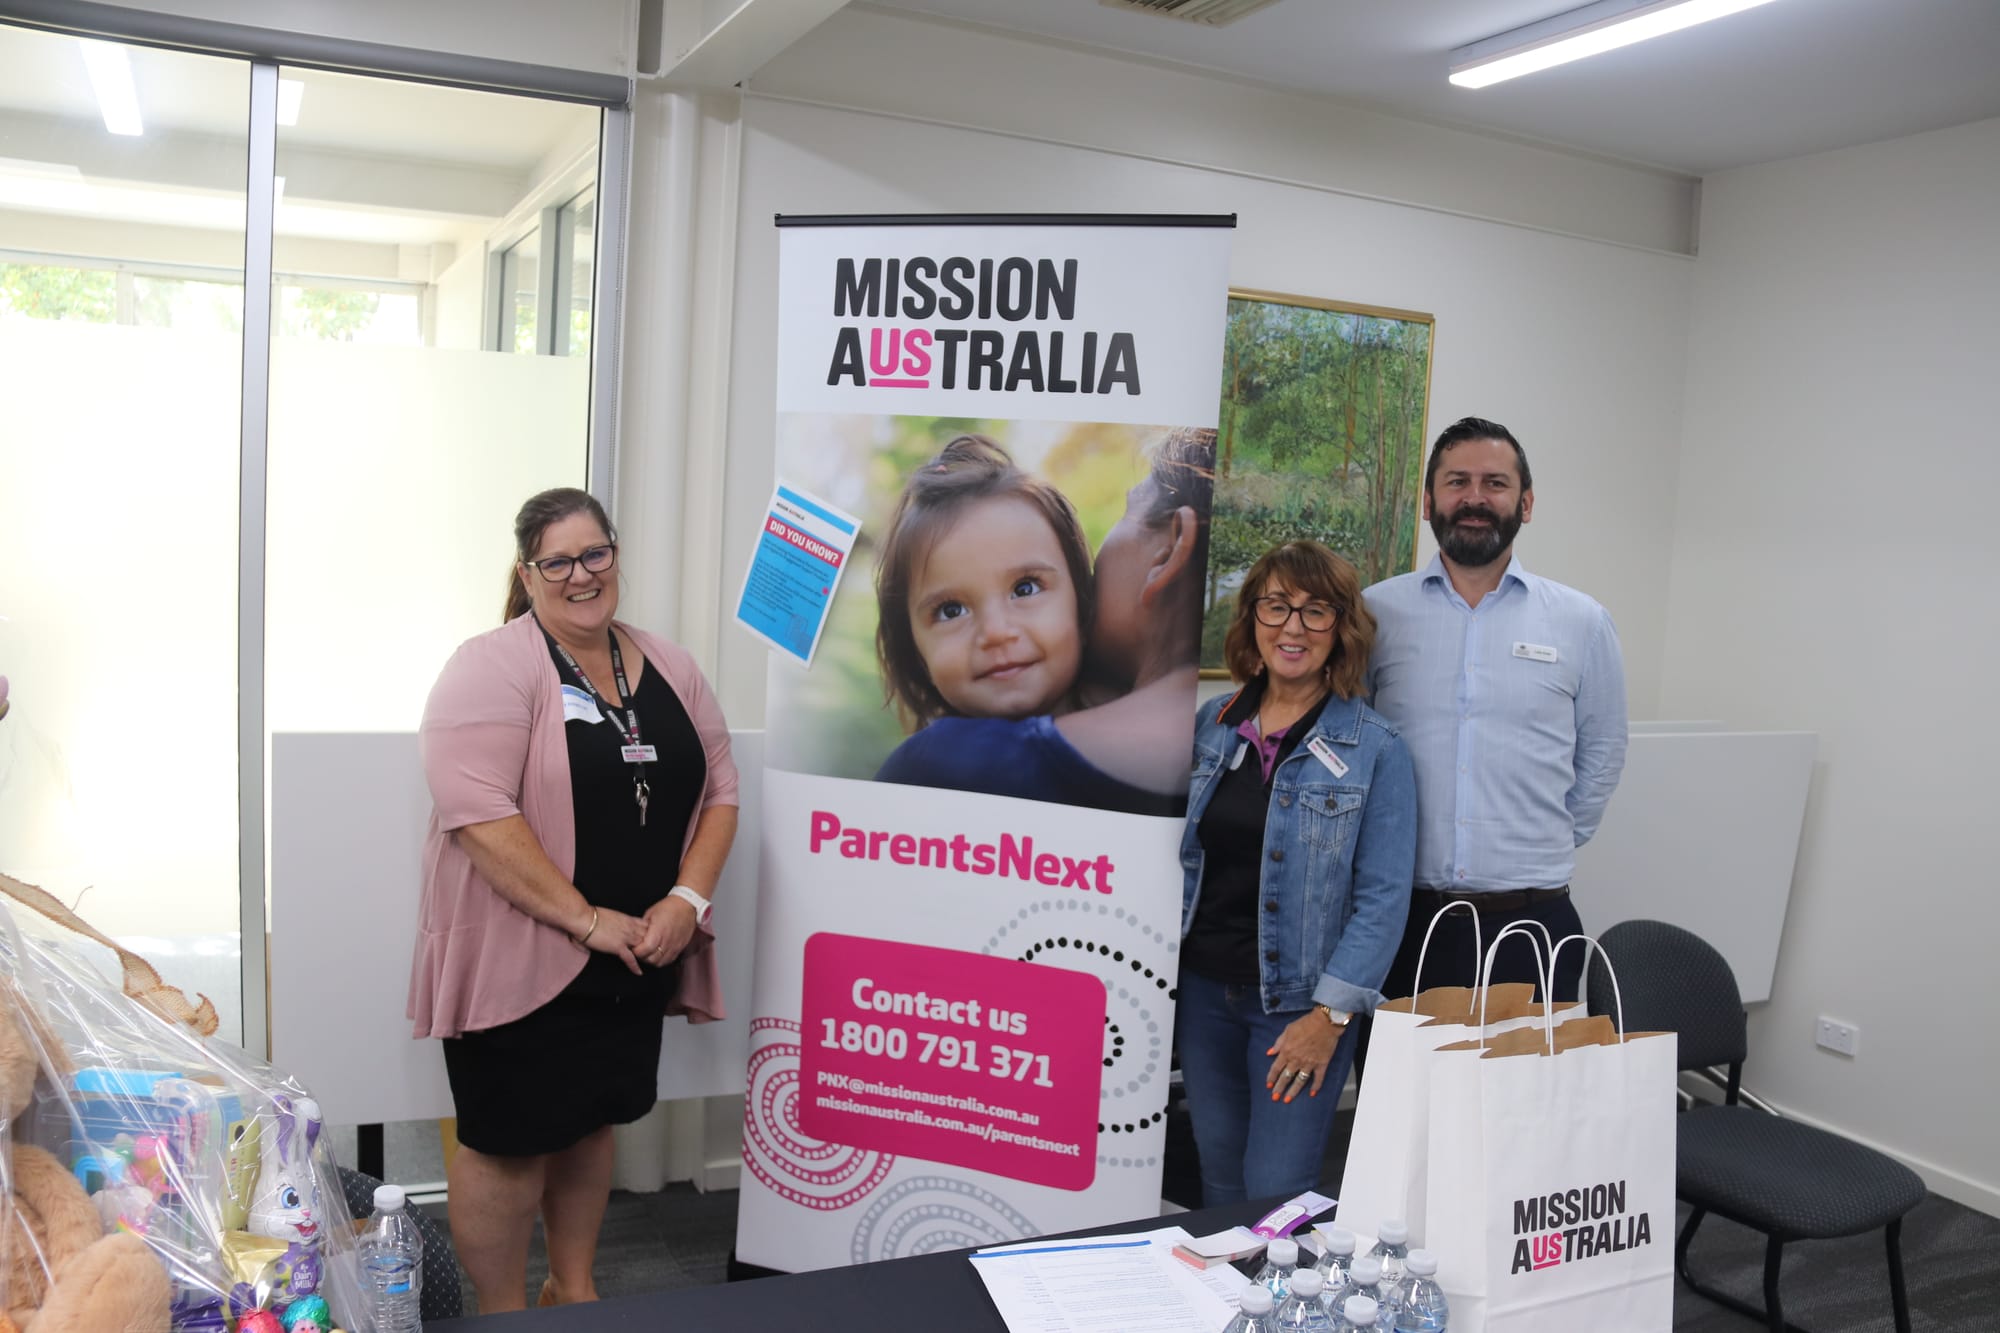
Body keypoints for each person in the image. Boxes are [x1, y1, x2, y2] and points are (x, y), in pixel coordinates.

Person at [407, 487, 738, 1313]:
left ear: (615, 554)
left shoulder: (669, 664)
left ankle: (574, 1288)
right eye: (557, 561)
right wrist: (585, 919)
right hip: (524, 957)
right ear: (528, 573)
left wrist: (686, 901)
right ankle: (502, 1312)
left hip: (636, 953)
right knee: (509, 1145)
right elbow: (478, 815)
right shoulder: (489, 666)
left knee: (592, 1124)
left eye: (595, 553)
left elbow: (722, 791)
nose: (581, 574)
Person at [1176, 541, 1416, 1204]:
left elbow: (1382, 900)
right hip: (1203, 995)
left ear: (1342, 629)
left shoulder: (1376, 749)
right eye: (1277, 606)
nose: (1293, 627)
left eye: (1316, 611)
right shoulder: (1209, 727)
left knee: (1276, 1193)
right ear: (1253, 617)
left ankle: (1278, 1281)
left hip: (1297, 1008)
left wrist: (1329, 1017)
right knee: (1219, 1182)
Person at [1363, 417, 1627, 1004]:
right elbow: (1347, 747)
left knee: (1526, 1072)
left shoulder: (1582, 622)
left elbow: (1603, 752)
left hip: (1532, 926)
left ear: (1525, 503)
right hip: (1400, 924)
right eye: (1457, 481)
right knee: (1397, 1069)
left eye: (1495, 483)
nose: (1475, 498)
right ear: (1428, 502)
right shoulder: (1375, 615)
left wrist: (1545, 837)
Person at [874, 427, 1213, 814]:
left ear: (1077, 598)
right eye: (951, 610)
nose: (997, 633)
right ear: (915, 650)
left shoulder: (930, 769)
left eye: (1025, 588)